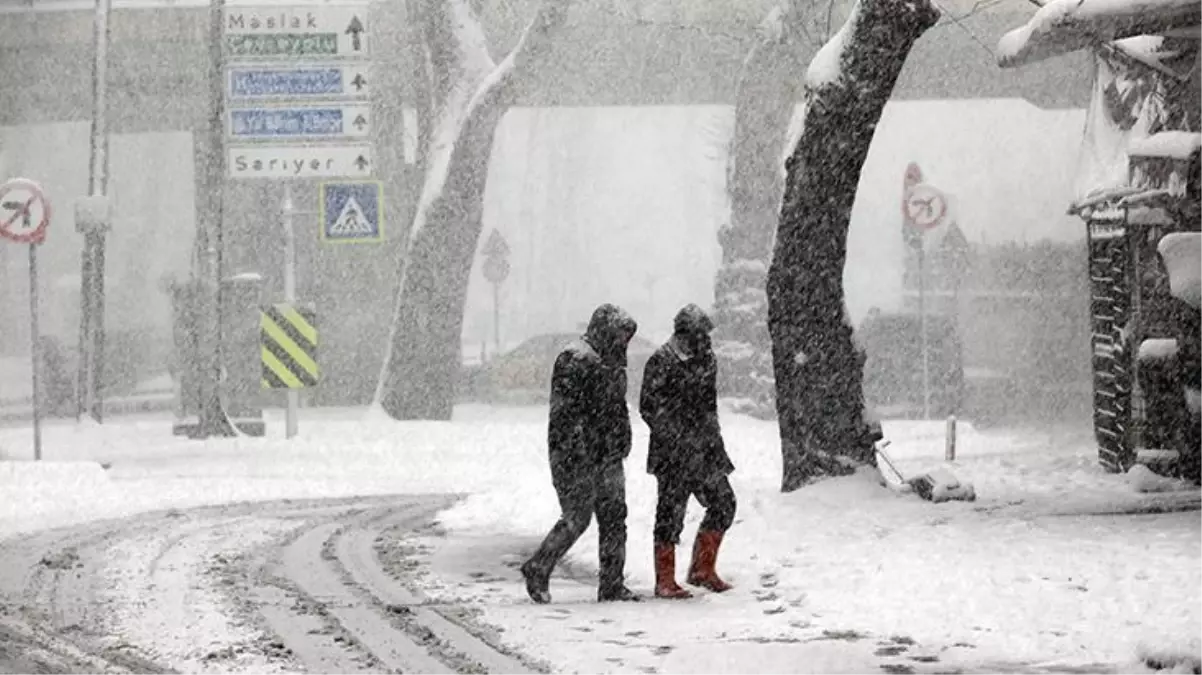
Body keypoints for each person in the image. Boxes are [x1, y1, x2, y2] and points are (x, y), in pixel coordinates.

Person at [520, 304, 642, 604]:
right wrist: (577, 453)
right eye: (620, 335)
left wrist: (622, 438)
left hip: (608, 454)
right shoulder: (575, 360)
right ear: (605, 331)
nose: (624, 343)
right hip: (578, 456)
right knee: (578, 516)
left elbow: (615, 408)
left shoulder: (611, 362)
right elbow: (565, 416)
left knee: (615, 517)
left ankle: (612, 584)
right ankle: (538, 566)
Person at [639, 304, 736, 599]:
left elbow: (709, 406)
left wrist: (712, 442)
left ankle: (702, 569)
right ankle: (664, 580)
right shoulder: (661, 361)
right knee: (670, 514)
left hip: (706, 451)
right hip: (673, 455)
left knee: (724, 503)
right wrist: (678, 437)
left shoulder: (707, 359)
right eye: (701, 334)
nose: (706, 339)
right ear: (685, 333)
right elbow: (649, 407)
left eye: (707, 334)